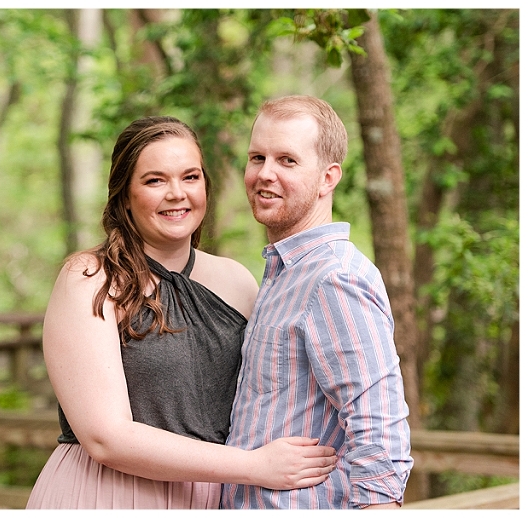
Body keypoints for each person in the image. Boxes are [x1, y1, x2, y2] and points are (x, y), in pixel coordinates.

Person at [26, 115, 337, 509]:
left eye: (190, 177)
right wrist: (255, 466)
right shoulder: (91, 280)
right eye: (155, 180)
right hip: (110, 494)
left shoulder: (238, 281)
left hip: (217, 497)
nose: (177, 194)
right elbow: (106, 438)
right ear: (124, 195)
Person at [221, 95, 414, 509]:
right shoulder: (283, 275)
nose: (264, 174)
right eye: (257, 157)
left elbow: (378, 428)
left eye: (287, 160)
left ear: (328, 178)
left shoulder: (334, 277)